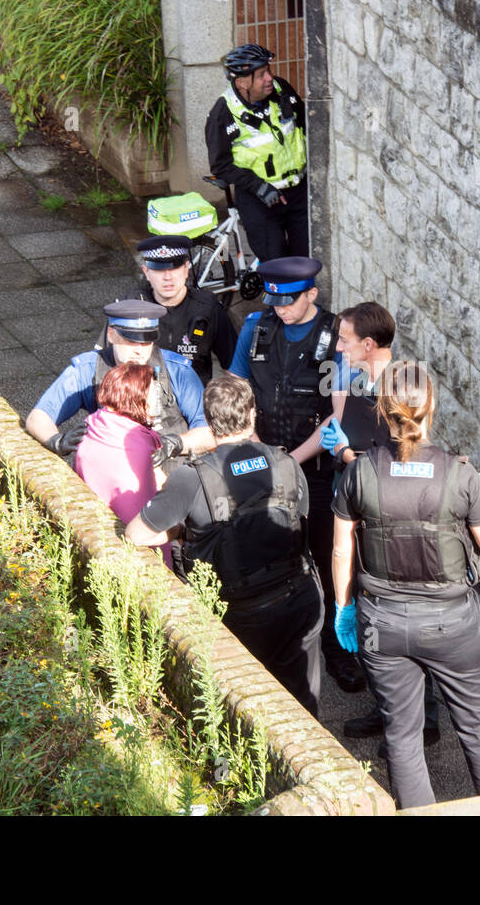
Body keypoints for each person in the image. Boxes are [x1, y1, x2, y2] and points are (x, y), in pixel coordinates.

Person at [331, 361, 480, 808]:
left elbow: (342, 551)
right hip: (451, 624)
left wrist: (344, 609)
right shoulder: (459, 473)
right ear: (431, 407)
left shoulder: (360, 472)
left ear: (382, 409)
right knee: (479, 726)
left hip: (383, 623)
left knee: (402, 733)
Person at [124, 375, 323, 716]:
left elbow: (136, 535)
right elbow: (300, 521)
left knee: (238, 708)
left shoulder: (191, 477)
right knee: (301, 706)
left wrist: (184, 531)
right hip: (297, 601)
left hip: (238, 614)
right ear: (253, 416)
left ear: (208, 419)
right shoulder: (285, 463)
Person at [228, 257, 365, 693]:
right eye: (275, 301)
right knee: (270, 560)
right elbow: (238, 390)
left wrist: (291, 460)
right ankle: (276, 652)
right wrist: (255, 450)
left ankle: (339, 653)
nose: (281, 309)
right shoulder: (257, 327)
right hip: (266, 467)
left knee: (329, 564)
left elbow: (337, 417)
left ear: (312, 294)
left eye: (290, 301)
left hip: (318, 473)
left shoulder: (335, 340)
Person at [319, 303, 442, 748]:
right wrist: (341, 451)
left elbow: (403, 463)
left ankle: (421, 718)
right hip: (359, 504)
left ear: (369, 344)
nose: (338, 347)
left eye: (345, 340)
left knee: (401, 618)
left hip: (389, 519)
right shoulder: (353, 379)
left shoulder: (400, 391)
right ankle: (387, 704)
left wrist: (349, 456)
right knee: (376, 621)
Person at [26, 300, 213, 466]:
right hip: (114, 474)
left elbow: (209, 433)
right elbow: (39, 417)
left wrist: (174, 444)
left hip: (171, 478)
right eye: (131, 341)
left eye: (146, 342)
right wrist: (57, 442)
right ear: (111, 335)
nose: (139, 351)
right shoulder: (88, 369)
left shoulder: (178, 371)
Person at [204, 43, 308, 261]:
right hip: (260, 201)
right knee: (277, 266)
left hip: (298, 192)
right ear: (241, 82)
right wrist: (259, 187)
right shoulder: (222, 114)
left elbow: (306, 126)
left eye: (268, 71)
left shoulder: (282, 89)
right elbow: (220, 165)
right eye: (261, 75)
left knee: (306, 261)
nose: (269, 78)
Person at [73, 362, 176, 568]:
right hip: (141, 545)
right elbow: (161, 484)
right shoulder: (142, 440)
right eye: (151, 395)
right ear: (135, 397)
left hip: (95, 532)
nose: (156, 402)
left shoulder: (92, 423)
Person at [116, 235, 238, 386]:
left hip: (193, 402)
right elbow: (107, 363)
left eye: (174, 268)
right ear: (146, 272)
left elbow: (235, 368)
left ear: (186, 269)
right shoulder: (130, 307)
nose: (168, 277)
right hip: (144, 399)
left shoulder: (208, 308)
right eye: (159, 270)